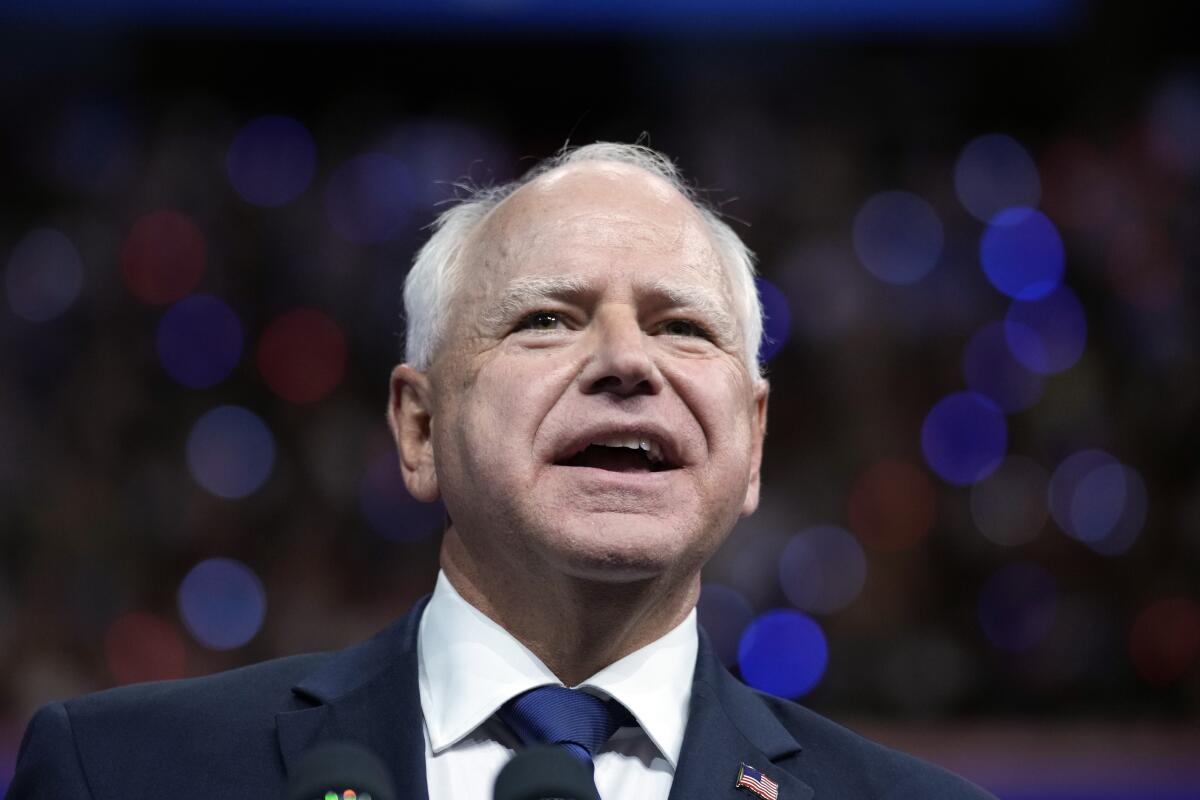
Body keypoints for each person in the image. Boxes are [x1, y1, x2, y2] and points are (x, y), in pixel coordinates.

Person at [7, 142, 994, 799]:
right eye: (547, 319)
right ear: (420, 428)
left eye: (683, 327)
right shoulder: (124, 773)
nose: (627, 361)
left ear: (753, 444)